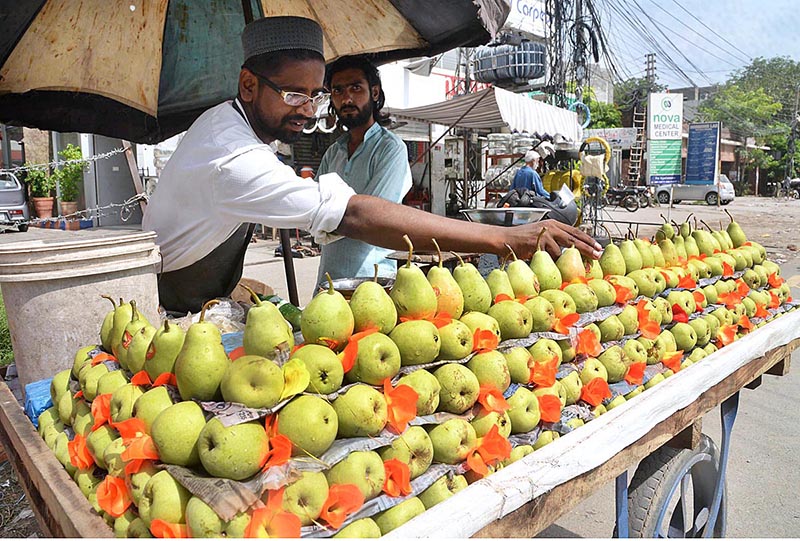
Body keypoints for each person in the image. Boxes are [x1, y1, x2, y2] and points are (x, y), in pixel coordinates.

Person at [142, 15, 601, 314]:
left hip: (359, 281)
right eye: (294, 94)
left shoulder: (232, 131)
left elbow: (354, 213)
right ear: (248, 85)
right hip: (176, 314)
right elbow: (357, 214)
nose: (309, 108)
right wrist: (503, 238)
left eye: (316, 94)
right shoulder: (233, 155)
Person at [315, 55, 412, 285]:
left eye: (356, 88)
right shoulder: (333, 152)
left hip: (374, 280)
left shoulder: (391, 149)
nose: (346, 98)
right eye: (338, 91)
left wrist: (326, 217)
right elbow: (312, 208)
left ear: (374, 93)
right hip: (330, 280)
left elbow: (371, 219)